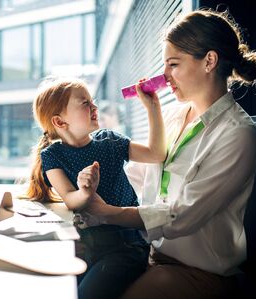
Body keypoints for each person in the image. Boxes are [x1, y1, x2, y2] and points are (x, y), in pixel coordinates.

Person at [78, 9, 256, 299]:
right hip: (152, 253)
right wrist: (90, 186)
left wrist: (108, 213)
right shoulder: (176, 116)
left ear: (209, 62)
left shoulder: (238, 134)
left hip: (198, 272)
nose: (164, 76)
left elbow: (181, 217)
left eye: (173, 64)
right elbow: (138, 176)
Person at [25, 77, 166, 299]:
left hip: (126, 245)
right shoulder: (52, 156)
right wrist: (85, 191)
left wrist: (153, 107)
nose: (95, 107)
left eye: (93, 101)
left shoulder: (110, 141)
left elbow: (155, 153)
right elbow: (71, 199)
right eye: (84, 103)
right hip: (87, 245)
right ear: (60, 122)